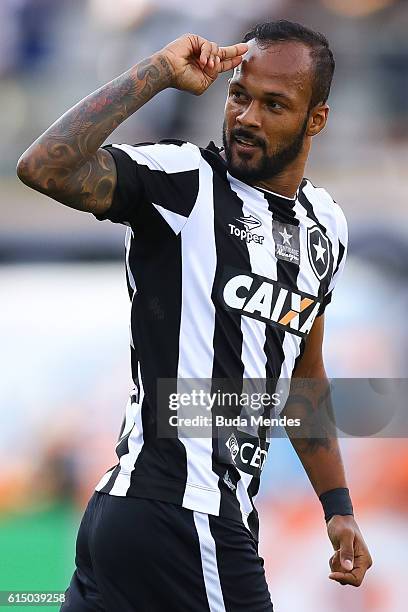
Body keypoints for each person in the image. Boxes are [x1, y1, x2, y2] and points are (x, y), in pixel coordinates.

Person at [17, 20, 372, 612]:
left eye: (274, 104)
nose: (248, 118)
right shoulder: (184, 182)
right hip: (180, 513)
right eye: (240, 95)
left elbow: (303, 377)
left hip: (167, 519)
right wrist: (155, 73)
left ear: (317, 121)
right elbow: (43, 167)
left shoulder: (325, 227)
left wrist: (338, 508)